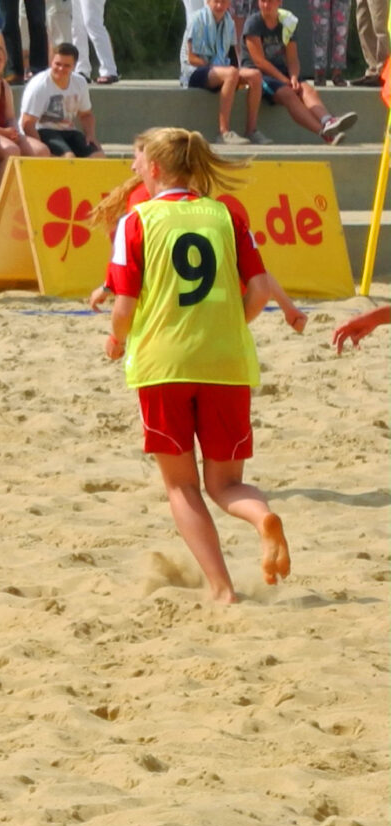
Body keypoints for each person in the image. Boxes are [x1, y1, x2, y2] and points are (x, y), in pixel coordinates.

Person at [102, 126, 305, 606]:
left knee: (182, 487)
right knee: (226, 483)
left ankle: (222, 589)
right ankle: (262, 519)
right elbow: (258, 293)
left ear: (153, 167)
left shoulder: (138, 221)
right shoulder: (223, 214)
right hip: (227, 363)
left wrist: (115, 338)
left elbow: (124, 306)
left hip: (164, 365)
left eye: (139, 163)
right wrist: (232, 325)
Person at [239, 0, 353, 145]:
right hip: (259, 75)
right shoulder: (253, 23)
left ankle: (328, 121)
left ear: (280, 2)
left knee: (307, 89)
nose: (266, 5)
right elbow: (259, 61)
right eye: (262, 0)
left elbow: (292, 58)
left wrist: (293, 77)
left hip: (281, 73)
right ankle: (325, 135)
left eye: (270, 1)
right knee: (289, 94)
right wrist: (283, 80)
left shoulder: (287, 22)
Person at [181, 0, 250, 143]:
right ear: (208, 2)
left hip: (220, 70)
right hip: (195, 71)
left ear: (229, 4)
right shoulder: (197, 19)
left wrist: (237, 71)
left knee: (255, 75)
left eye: (223, 2)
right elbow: (191, 57)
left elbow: (232, 54)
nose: (219, 6)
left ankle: (252, 130)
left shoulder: (229, 23)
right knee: (231, 73)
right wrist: (222, 70)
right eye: (216, 1)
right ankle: (224, 132)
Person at [18, 44, 101, 157]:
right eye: (58, 64)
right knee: (68, 157)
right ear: (51, 62)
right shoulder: (39, 85)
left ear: (74, 66)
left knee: (97, 155)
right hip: (43, 129)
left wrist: (90, 135)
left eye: (66, 66)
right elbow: (27, 123)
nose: (61, 69)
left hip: (69, 130)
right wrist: (41, 147)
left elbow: (86, 115)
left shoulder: (80, 82)